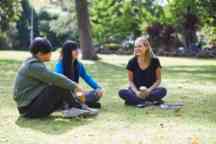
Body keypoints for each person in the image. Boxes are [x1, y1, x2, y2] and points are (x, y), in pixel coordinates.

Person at [13, 37, 98, 118]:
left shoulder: (34, 64)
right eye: (49, 52)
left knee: (63, 86)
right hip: (28, 109)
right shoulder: (33, 66)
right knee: (59, 84)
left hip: (33, 104)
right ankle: (75, 108)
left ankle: (77, 107)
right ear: (39, 53)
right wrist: (76, 87)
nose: (51, 54)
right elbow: (56, 79)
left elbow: (85, 77)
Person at [118, 36, 167, 107]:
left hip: (150, 91)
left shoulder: (155, 61)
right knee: (122, 92)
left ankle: (136, 101)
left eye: (139, 46)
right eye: (135, 47)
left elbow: (158, 80)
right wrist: (137, 92)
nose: (137, 49)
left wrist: (149, 91)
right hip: (136, 90)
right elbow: (130, 81)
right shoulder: (132, 62)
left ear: (146, 47)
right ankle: (151, 101)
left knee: (163, 91)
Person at [55, 40, 104, 108]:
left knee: (97, 94)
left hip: (77, 94)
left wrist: (98, 88)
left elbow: (86, 77)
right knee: (76, 97)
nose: (77, 51)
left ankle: (80, 104)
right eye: (74, 49)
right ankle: (81, 104)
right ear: (68, 52)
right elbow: (59, 82)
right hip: (65, 95)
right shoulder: (60, 65)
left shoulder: (78, 65)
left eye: (77, 48)